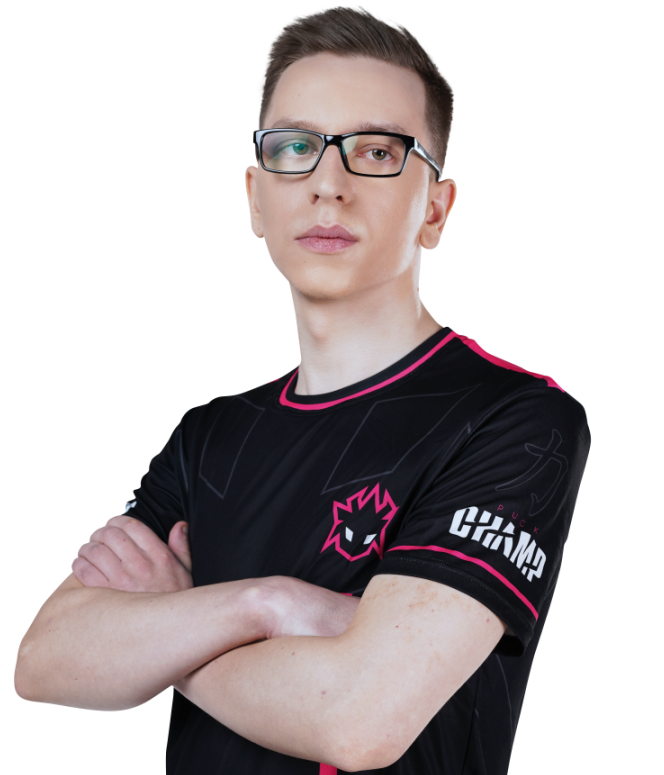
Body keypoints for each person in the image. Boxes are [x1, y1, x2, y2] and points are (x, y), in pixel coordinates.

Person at [15, 6, 590, 774]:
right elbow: (46, 657)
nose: (328, 184)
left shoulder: (516, 419)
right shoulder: (208, 437)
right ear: (256, 197)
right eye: (295, 147)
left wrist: (165, 632)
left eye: (377, 151)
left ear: (435, 209)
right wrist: (268, 604)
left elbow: (359, 718)